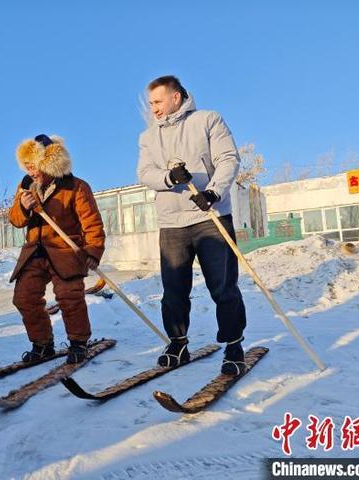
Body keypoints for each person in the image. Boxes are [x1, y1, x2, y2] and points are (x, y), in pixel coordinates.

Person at [137, 75, 247, 375]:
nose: (154, 109)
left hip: (210, 216)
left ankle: (234, 344)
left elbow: (228, 158)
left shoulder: (208, 120)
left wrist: (213, 191)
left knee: (223, 287)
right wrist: (169, 178)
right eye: (151, 104)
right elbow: (145, 172)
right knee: (173, 290)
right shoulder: (148, 137)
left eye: (158, 101)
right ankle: (178, 342)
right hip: (171, 222)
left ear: (176, 97)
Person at [9, 134, 105, 364]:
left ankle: (79, 343)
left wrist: (92, 251)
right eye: (27, 166)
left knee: (69, 297)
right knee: (24, 297)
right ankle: (42, 344)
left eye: (34, 166)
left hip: (66, 252)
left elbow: (92, 224)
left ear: (49, 163)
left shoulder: (76, 187)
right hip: (34, 251)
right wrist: (23, 207)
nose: (30, 171)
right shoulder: (25, 188)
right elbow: (15, 219)